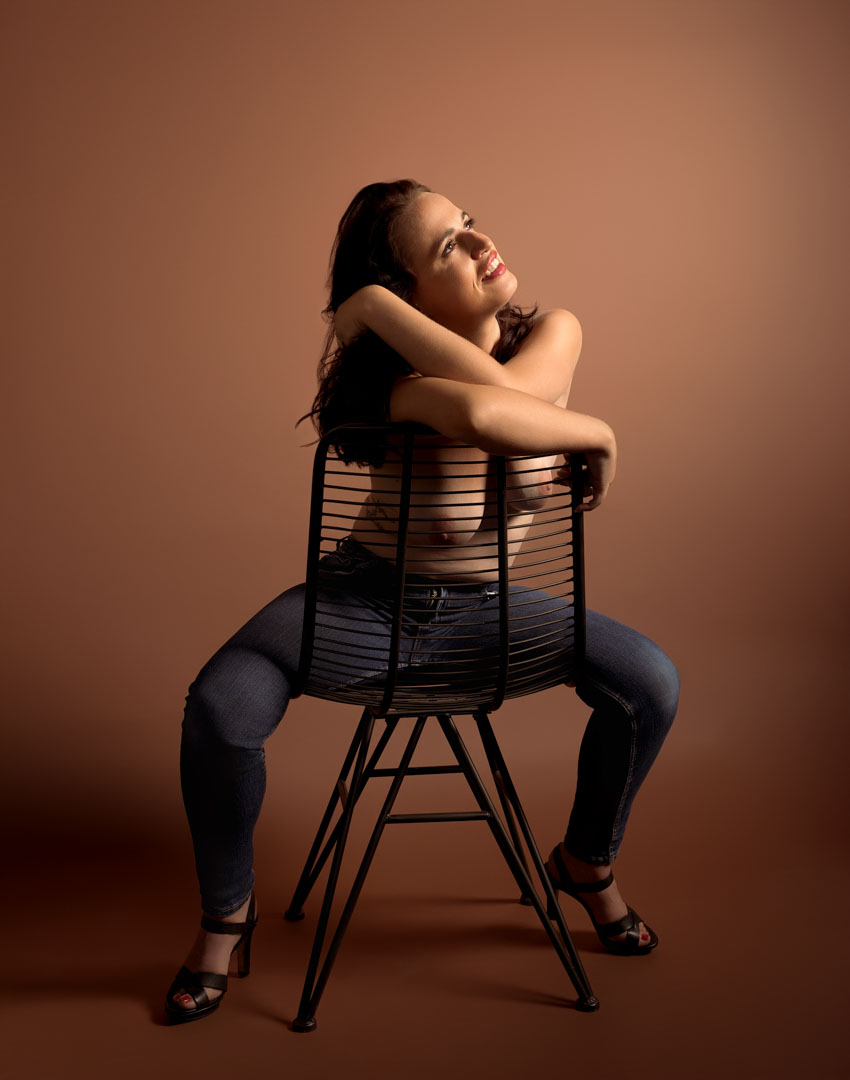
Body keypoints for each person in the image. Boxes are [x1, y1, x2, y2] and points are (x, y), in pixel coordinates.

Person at [164, 180, 680, 1023]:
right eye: (449, 247)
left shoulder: (556, 331)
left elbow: (500, 400)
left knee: (649, 683)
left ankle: (587, 862)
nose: (483, 247)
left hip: (490, 619)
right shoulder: (385, 387)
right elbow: (485, 412)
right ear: (404, 297)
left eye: (471, 225)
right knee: (219, 709)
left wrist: (366, 305)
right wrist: (598, 431)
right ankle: (225, 918)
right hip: (362, 607)